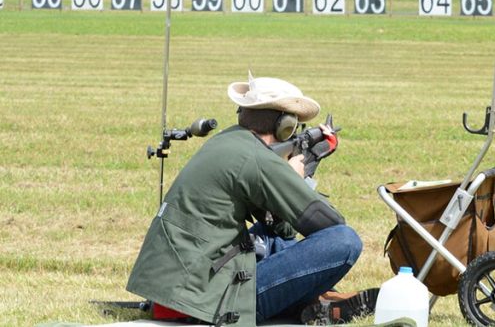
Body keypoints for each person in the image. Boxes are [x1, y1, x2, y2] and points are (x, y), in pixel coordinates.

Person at [127, 73, 370, 326]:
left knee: (276, 239)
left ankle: (309, 303)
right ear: (284, 125)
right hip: (207, 302)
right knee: (346, 241)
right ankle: (307, 302)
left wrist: (298, 172)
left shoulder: (226, 141)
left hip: (177, 287)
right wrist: (297, 179)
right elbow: (330, 224)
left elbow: (283, 230)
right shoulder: (257, 158)